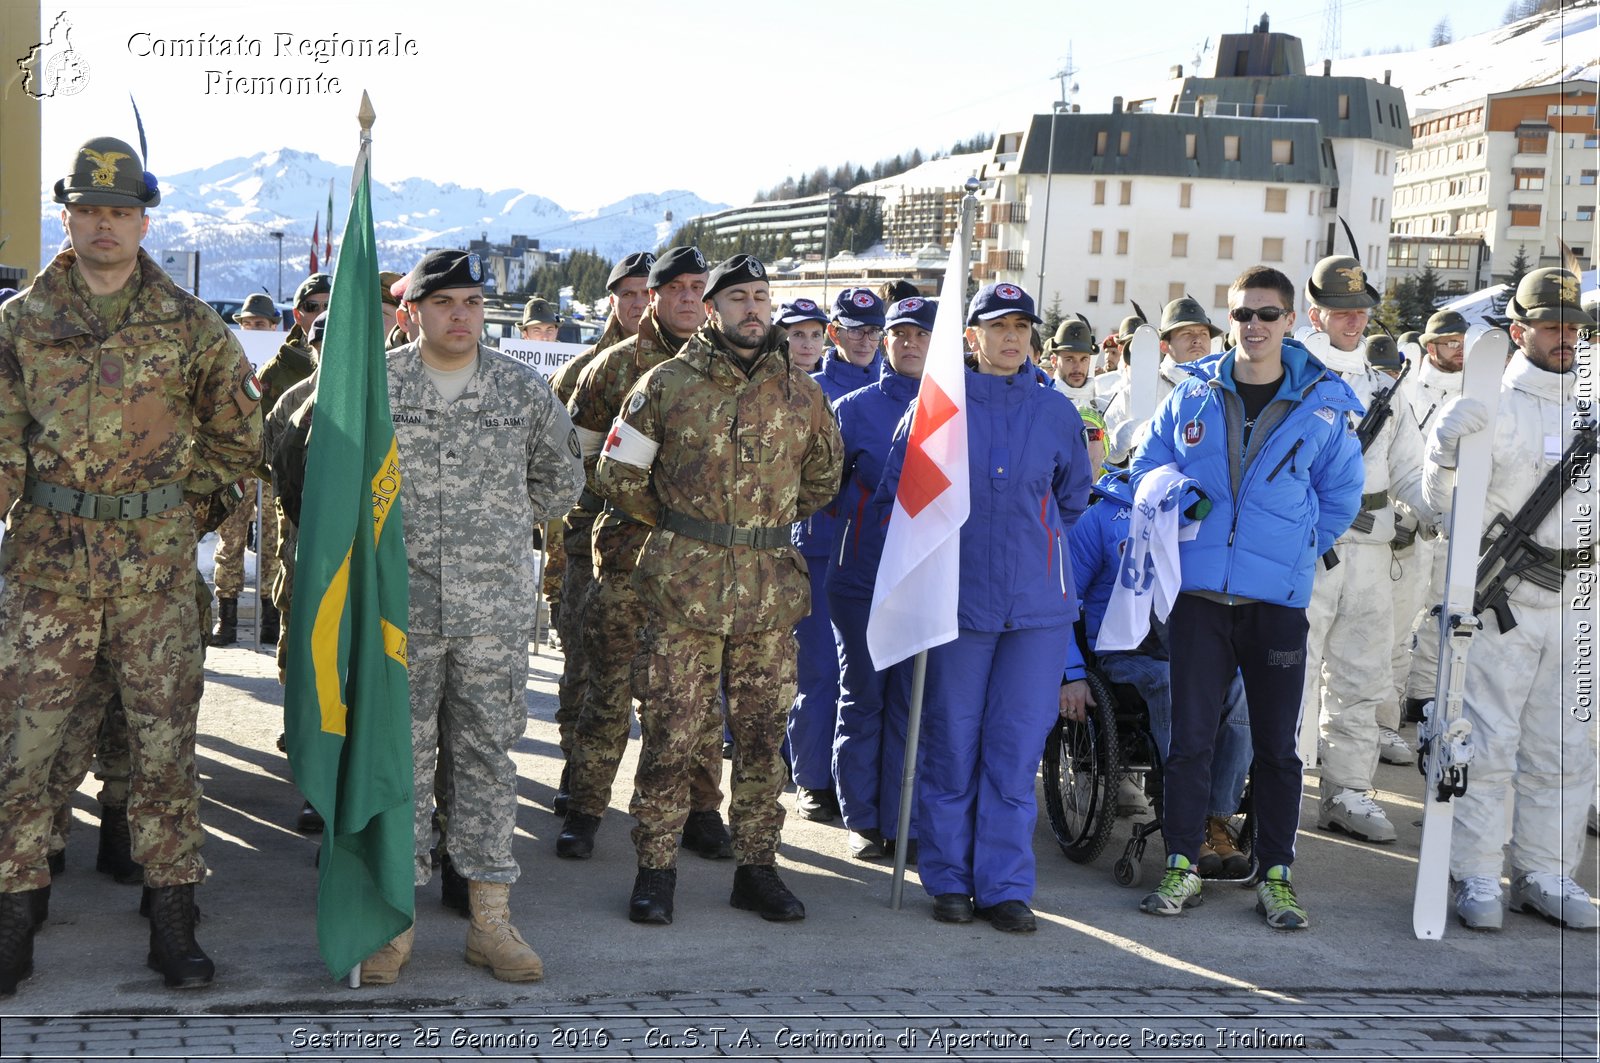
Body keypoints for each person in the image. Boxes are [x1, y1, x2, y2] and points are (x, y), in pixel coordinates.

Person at [0, 135, 263, 994]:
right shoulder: (20, 325)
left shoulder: (191, 325)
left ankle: (174, 916)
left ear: (144, 220)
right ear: (66, 216)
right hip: (47, 576)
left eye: (119, 212)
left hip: (154, 579)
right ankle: (12, 911)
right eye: (88, 210)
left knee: (164, 750)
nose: (104, 225)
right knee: (25, 749)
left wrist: (186, 512)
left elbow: (239, 440)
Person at [595, 253, 842, 926]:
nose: (753, 308)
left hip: (768, 595)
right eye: (738, 298)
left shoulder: (801, 392)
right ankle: (655, 869)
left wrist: (754, 525)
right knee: (674, 734)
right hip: (684, 591)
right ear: (712, 308)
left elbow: (823, 479)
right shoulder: (664, 385)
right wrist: (688, 529)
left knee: (763, 739)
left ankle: (758, 868)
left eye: (761, 296)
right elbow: (618, 474)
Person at [358, 249, 583, 985]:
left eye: (472, 303)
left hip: (490, 614)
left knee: (489, 760)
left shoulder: (520, 389)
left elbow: (562, 479)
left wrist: (498, 527)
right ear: (411, 313)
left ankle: (490, 922)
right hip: (404, 613)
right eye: (444, 302)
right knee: (404, 766)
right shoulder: (377, 389)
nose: (460, 315)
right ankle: (395, 922)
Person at [1131, 265, 1363, 930]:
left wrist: (1291, 547)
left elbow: (1342, 492)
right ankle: (1182, 862)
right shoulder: (1194, 394)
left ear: (1291, 321)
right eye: (1242, 315)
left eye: (1267, 314)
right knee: (1190, 742)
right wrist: (1182, 499)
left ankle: (1278, 872)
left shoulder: (1323, 400)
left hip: (1275, 604)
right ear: (1228, 321)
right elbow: (1148, 465)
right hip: (1200, 597)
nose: (1254, 326)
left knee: (1277, 748)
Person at [879, 281, 1093, 932]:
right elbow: (901, 490)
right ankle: (948, 879)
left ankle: (1003, 885)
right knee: (951, 742)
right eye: (997, 326)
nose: (1011, 337)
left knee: (1014, 749)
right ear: (970, 336)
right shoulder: (937, 405)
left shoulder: (1055, 412)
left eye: (1022, 327)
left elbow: (1074, 495)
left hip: (1036, 609)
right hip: (958, 602)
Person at [1425, 269, 1597, 931]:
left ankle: (1546, 870)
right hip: (1505, 600)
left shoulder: (1592, 402)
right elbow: (1446, 511)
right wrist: (1443, 453)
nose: (1565, 338)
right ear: (1518, 330)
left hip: (1579, 601)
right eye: (1552, 326)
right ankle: (1475, 869)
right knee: (1486, 741)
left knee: (1567, 744)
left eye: (1574, 328)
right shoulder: (1490, 403)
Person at [557, 247, 729, 862]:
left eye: (697, 287)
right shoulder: (613, 368)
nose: (688, 298)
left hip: (702, 569)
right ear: (650, 296)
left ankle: (702, 809)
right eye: (674, 287)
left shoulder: (729, 364)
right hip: (628, 555)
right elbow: (576, 459)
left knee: (696, 697)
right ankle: (584, 806)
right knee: (604, 688)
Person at [1299, 256, 1428, 846]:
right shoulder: (1290, 372)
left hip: (1372, 550)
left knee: (1362, 675)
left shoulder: (1386, 383)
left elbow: (1408, 469)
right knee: (1288, 672)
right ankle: (1271, 784)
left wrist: (1438, 506)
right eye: (1341, 312)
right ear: (1314, 312)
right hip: (1305, 545)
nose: (1353, 322)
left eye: (1360, 312)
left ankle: (1348, 790)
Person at [1067, 471, 1253, 877]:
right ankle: (1183, 818)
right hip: (1121, 652)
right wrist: (1071, 672)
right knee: (1172, 684)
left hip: (1186, 645)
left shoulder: (1199, 511)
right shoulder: (1098, 520)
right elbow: (1063, 599)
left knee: (1241, 686)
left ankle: (1217, 819)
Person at [543, 250, 654, 817]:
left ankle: (691, 804)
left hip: (666, 555)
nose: (640, 303)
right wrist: (561, 555)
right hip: (591, 543)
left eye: (647, 292)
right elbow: (559, 465)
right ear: (612, 300)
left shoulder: (699, 365)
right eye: (628, 294)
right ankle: (577, 774)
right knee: (586, 669)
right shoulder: (592, 369)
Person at [828, 296, 930, 859]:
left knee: (912, 704)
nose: (910, 343)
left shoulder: (957, 410)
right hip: (861, 575)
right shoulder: (851, 409)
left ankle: (904, 819)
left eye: (922, 335)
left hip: (926, 580)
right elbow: (818, 494)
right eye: (900, 334)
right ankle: (864, 818)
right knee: (864, 697)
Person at [785, 288, 886, 823]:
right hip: (822, 546)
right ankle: (811, 778)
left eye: (873, 330)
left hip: (878, 551)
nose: (866, 339)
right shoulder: (812, 390)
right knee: (821, 669)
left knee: (868, 674)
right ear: (835, 334)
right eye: (855, 329)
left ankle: (858, 784)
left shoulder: (900, 391)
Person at [1395, 310, 1468, 729]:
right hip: (1406, 516)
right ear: (1429, 346)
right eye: (1448, 341)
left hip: (1453, 515)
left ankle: (1423, 695)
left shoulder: (1477, 391)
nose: (1457, 349)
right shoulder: (1406, 388)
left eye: (1461, 341)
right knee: (1400, 619)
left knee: (1443, 609)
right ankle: (1393, 702)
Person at [1103, 297, 1222, 466]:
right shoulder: (1135, 391)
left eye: (1204, 333)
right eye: (1186, 333)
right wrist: (1126, 437)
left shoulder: (1223, 388)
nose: (1197, 339)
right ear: (1164, 346)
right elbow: (1102, 456)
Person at [775, 299, 828, 373]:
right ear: (779, 338)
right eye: (798, 335)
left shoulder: (836, 377)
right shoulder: (762, 379)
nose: (808, 345)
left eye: (816, 335)